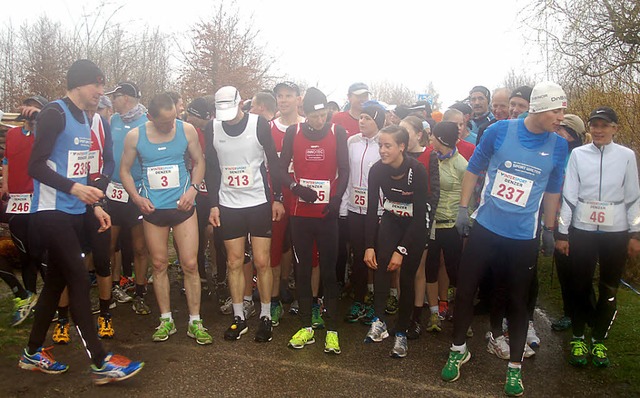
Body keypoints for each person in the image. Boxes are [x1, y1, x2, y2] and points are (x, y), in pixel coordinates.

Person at [18, 59, 143, 383]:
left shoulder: (88, 121)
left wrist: (95, 205)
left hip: (75, 212)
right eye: (95, 85)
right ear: (76, 85)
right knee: (76, 276)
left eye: (103, 86)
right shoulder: (55, 114)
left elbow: (79, 171)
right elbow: (36, 166)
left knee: (55, 285)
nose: (100, 92)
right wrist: (74, 187)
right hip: (49, 214)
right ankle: (101, 362)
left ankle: (32, 353)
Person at [441, 81, 569, 397]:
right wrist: (462, 208)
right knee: (466, 289)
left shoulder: (558, 145)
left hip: (523, 236)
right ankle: (458, 349)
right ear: (539, 107)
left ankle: (514, 368)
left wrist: (550, 229)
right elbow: (474, 168)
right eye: (557, 109)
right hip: (485, 226)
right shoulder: (499, 131)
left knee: (517, 300)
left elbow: (553, 190)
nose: (561, 116)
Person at [120, 92, 212, 345]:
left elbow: (200, 161)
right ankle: (166, 319)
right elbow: (124, 170)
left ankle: (195, 321)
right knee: (159, 265)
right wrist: (137, 198)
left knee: (190, 264)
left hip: (183, 207)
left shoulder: (187, 130)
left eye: (174, 119)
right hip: (153, 210)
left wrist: (193, 189)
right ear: (150, 117)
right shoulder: (135, 136)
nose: (171, 125)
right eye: (164, 122)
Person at [556, 107, 640, 368]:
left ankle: (599, 340)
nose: (599, 130)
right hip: (583, 229)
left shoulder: (626, 156)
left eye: (605, 126)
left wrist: (635, 233)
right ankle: (579, 337)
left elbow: (633, 196)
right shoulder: (579, 155)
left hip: (616, 231)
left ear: (615, 128)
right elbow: (569, 195)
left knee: (609, 290)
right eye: (595, 125)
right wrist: (561, 232)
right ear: (589, 128)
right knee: (579, 286)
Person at [205, 86, 284, 343]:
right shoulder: (212, 128)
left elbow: (273, 160)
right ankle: (239, 317)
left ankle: (265, 315)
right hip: (229, 204)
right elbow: (212, 169)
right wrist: (213, 204)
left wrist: (278, 198)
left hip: (258, 201)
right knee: (234, 261)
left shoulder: (259, 124)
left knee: (262, 262)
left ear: (241, 103)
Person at [279, 87, 348, 354]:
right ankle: (306, 326)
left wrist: (336, 199)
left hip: (326, 214)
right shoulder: (292, 133)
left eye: (323, 115)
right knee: (303, 270)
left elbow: (345, 169)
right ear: (305, 113)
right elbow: (280, 168)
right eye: (314, 115)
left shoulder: (336, 132)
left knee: (330, 272)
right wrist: (296, 188)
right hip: (300, 214)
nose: (319, 120)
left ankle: (332, 330)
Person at [363, 124, 429, 358]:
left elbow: (420, 216)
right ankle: (379, 320)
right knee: (381, 263)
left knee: (407, 276)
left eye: (387, 145)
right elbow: (372, 211)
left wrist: (401, 250)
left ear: (402, 147)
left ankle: (401, 331)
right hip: (392, 218)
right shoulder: (377, 170)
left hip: (415, 226)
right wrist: (369, 245)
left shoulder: (417, 170)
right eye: (380, 145)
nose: (382, 150)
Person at [105, 81, 150, 314]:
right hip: (113, 191)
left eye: (116, 96)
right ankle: (112, 287)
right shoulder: (112, 121)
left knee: (140, 246)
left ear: (127, 98)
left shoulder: (147, 123)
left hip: (139, 192)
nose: (112, 100)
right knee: (110, 244)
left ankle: (141, 292)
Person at [2, 96, 48, 326]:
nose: (30, 112)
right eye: (27, 108)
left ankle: (52, 304)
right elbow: (7, 159)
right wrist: (5, 184)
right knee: (25, 255)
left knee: (42, 255)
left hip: (39, 202)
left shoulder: (45, 136)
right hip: (16, 202)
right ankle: (30, 298)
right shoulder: (11, 135)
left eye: (35, 109)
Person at [342, 102, 386, 325]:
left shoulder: (384, 143)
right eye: (361, 117)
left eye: (368, 117)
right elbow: (347, 174)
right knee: (359, 256)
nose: (362, 121)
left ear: (377, 120)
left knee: (377, 257)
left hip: (377, 210)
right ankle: (359, 299)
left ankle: (377, 305)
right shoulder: (352, 142)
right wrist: (344, 204)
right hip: (354, 208)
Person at [424, 121, 467, 334]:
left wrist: (465, 217)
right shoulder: (430, 158)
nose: (430, 139)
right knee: (430, 267)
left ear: (442, 140)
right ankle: (434, 312)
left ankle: (458, 312)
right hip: (431, 224)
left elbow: (469, 195)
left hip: (451, 225)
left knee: (455, 270)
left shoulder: (462, 164)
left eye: (433, 136)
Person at [269, 81, 305, 325]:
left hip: (303, 197)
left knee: (302, 250)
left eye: (288, 96)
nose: (283, 100)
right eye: (280, 96)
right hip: (276, 197)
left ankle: (302, 297)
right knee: (274, 249)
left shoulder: (308, 126)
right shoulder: (268, 127)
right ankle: (273, 301)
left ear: (298, 99)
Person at [400, 115, 439, 339]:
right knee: (400, 267)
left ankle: (416, 315)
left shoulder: (429, 155)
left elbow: (434, 191)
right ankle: (402, 311)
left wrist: (426, 220)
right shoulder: (399, 154)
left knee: (418, 268)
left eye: (406, 131)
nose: (403, 135)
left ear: (418, 134)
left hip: (421, 219)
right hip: (399, 218)